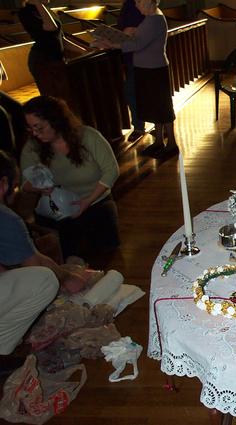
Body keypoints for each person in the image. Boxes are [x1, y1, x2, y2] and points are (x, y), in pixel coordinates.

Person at [0, 150, 88, 362]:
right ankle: (3, 348)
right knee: (44, 280)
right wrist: (67, 277)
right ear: (3, 184)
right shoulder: (6, 218)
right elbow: (35, 266)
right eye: (15, 187)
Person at [20, 96, 120, 260]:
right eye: (31, 129)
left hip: (95, 201)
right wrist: (38, 187)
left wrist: (87, 201)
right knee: (67, 252)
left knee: (106, 250)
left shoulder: (88, 136)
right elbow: (24, 183)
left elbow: (111, 171)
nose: (35, 133)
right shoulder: (33, 146)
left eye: (39, 127)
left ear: (55, 120)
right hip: (59, 207)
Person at [94, 0, 178, 159]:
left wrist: (112, 44)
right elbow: (140, 37)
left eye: (139, 1)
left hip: (155, 69)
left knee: (163, 108)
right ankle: (159, 142)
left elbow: (138, 45)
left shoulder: (155, 19)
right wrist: (131, 32)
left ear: (149, 1)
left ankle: (172, 145)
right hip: (147, 68)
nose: (136, 5)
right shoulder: (150, 17)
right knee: (155, 108)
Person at [17, 0, 86, 100]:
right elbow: (51, 27)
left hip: (56, 59)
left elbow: (61, 38)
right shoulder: (26, 12)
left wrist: (84, 51)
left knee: (66, 94)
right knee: (53, 97)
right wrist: (38, 4)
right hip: (42, 61)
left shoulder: (46, 9)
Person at [117, 0, 146, 142]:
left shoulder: (136, 4)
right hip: (132, 55)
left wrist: (114, 41)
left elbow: (134, 29)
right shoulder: (129, 3)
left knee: (134, 91)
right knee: (133, 91)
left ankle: (142, 126)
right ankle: (143, 125)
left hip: (139, 55)